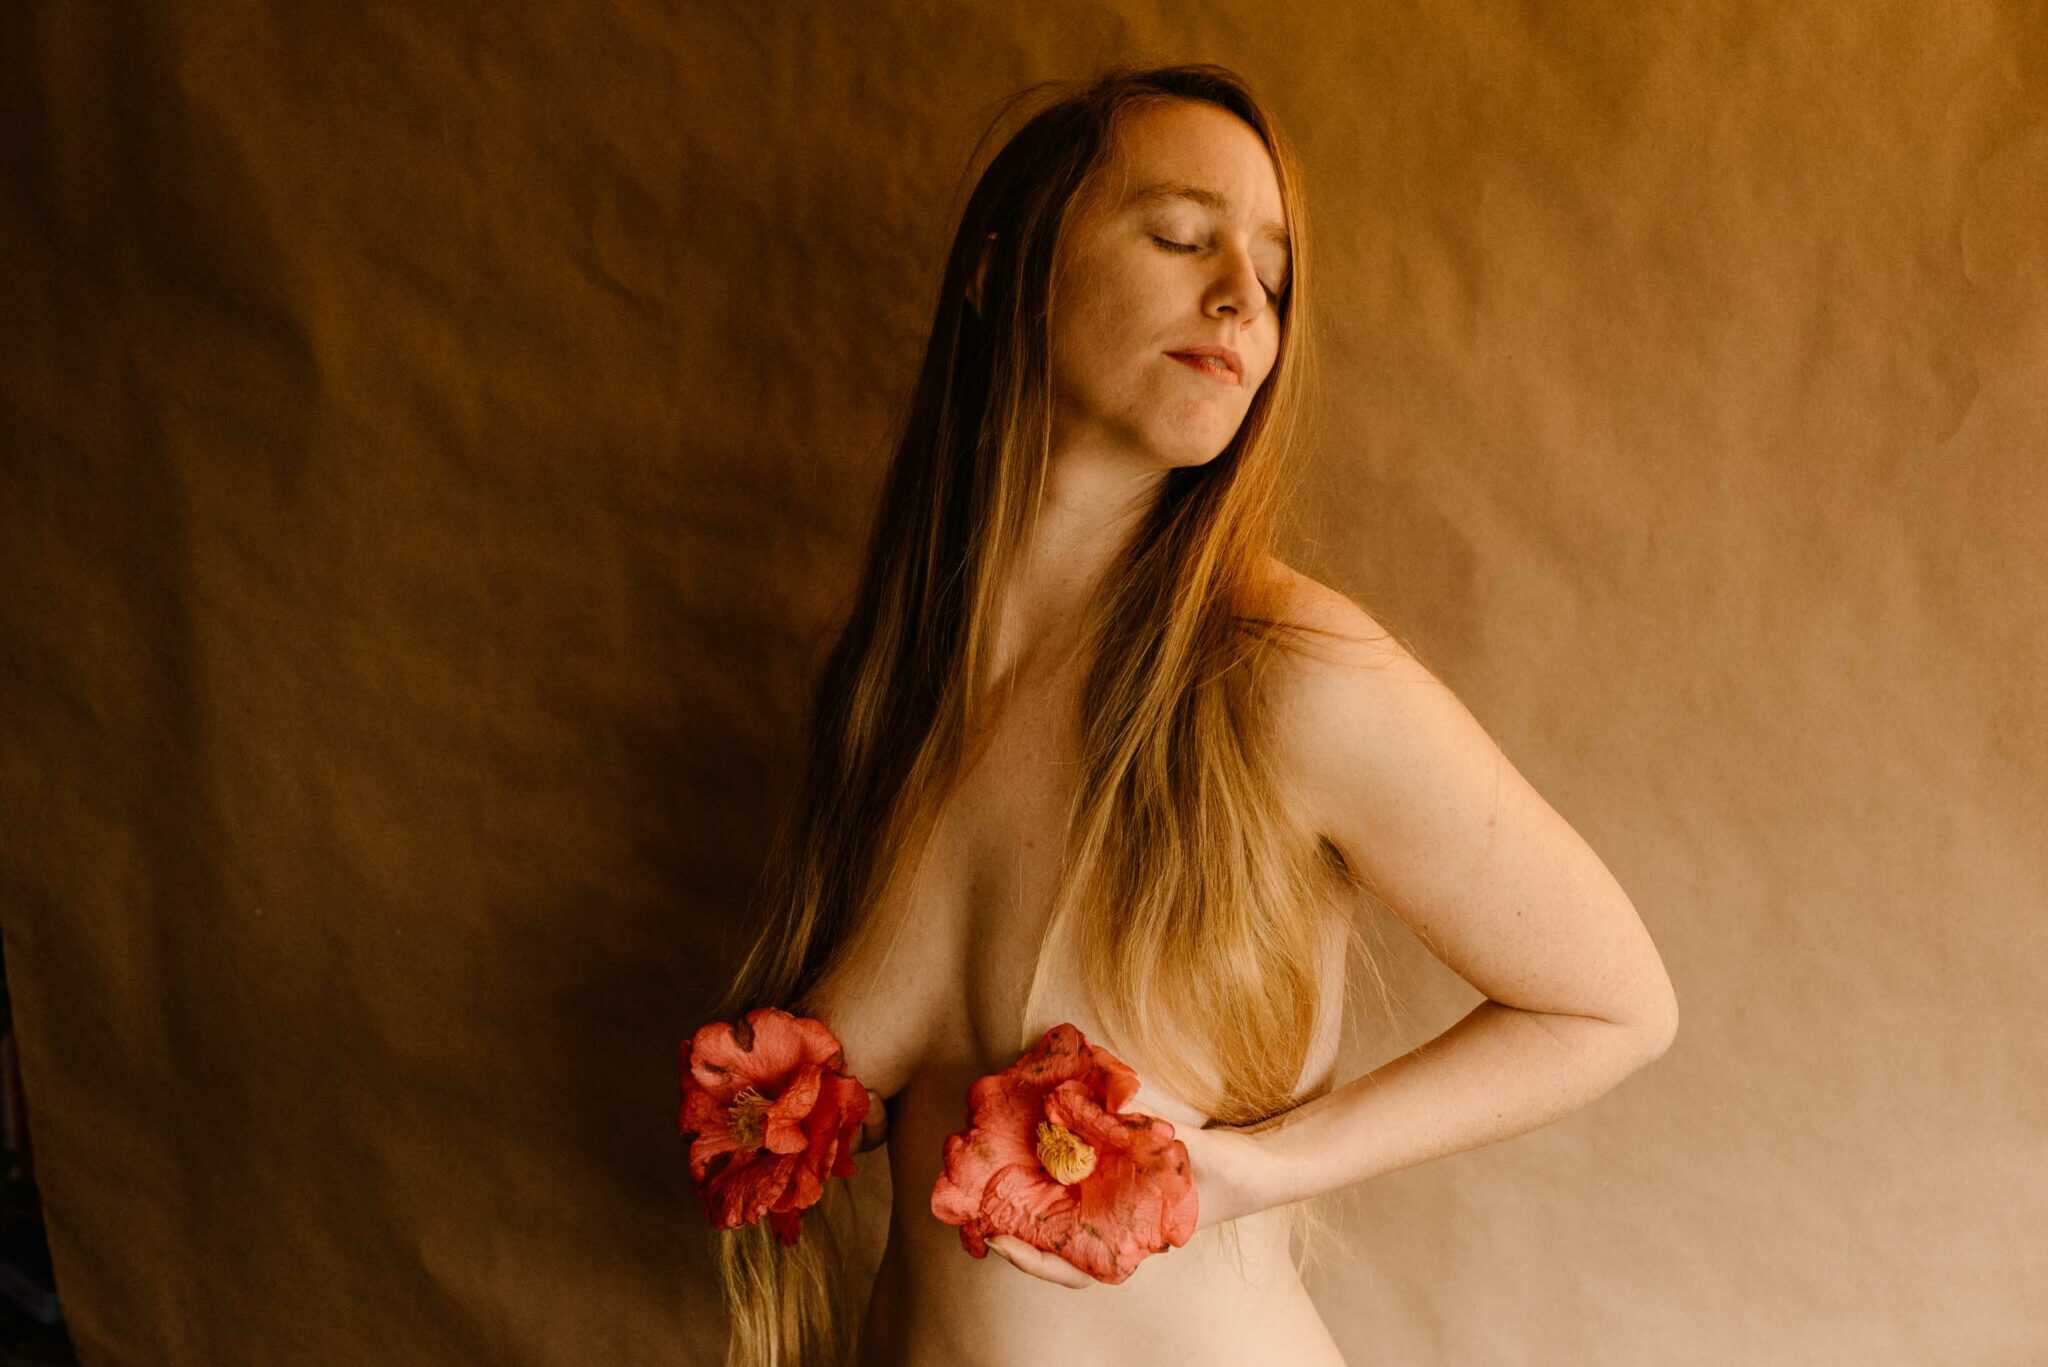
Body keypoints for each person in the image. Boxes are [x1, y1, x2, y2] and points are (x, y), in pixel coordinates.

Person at [700, 61, 1680, 1366]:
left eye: (1272, 276)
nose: (1241, 299)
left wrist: (1251, 1173)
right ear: (1004, 273)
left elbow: (1615, 1002)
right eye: (1177, 236)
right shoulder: (895, 691)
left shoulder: (1277, 668)